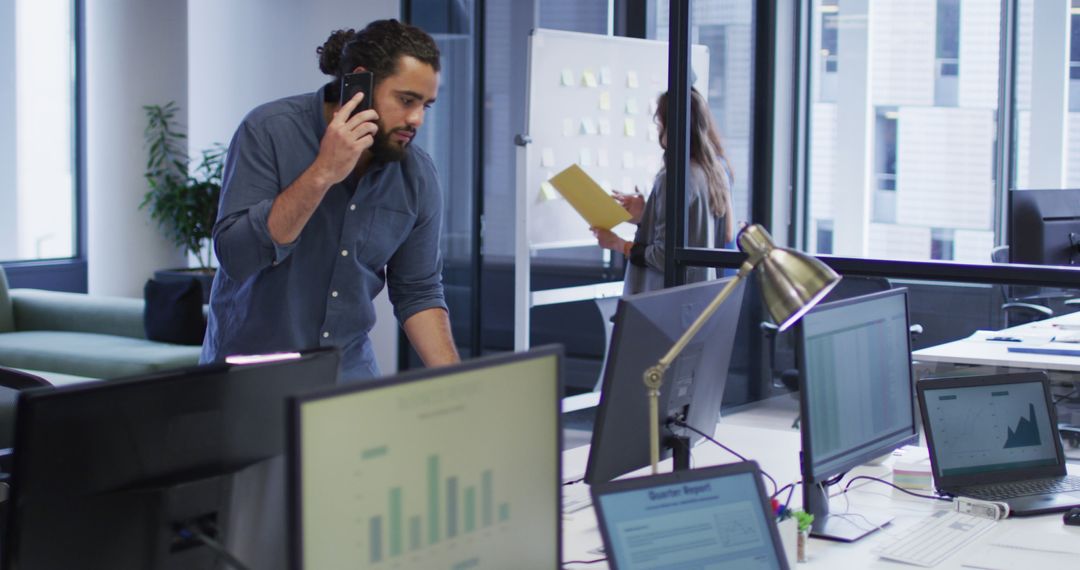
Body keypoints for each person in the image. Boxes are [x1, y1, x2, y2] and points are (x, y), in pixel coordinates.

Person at [200, 20, 459, 381]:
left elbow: (419, 290)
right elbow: (237, 257)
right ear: (360, 85)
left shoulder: (417, 175)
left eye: (425, 106)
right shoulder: (268, 130)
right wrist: (323, 172)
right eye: (405, 100)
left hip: (348, 372)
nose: (416, 119)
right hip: (250, 375)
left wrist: (462, 386)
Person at [592, 87, 735, 295]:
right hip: (699, 297)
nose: (658, 128)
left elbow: (663, 256)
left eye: (659, 122)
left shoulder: (674, 177)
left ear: (669, 125)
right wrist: (647, 215)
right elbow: (709, 233)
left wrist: (617, 243)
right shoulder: (715, 171)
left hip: (665, 300)